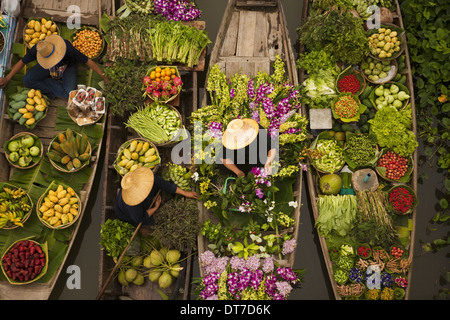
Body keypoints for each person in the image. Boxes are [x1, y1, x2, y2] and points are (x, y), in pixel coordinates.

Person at [0, 34, 107, 99]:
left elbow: (89, 62)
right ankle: (50, 83)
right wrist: (8, 78)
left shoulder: (68, 49)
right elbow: (22, 62)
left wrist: (103, 76)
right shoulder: (39, 49)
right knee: (27, 81)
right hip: (47, 66)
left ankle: (51, 82)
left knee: (67, 94)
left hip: (69, 65)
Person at [114, 166, 198, 227]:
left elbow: (162, 183)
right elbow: (141, 218)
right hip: (128, 214)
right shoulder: (133, 206)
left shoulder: (144, 178)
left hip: (141, 206)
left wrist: (185, 193)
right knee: (156, 220)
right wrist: (155, 207)